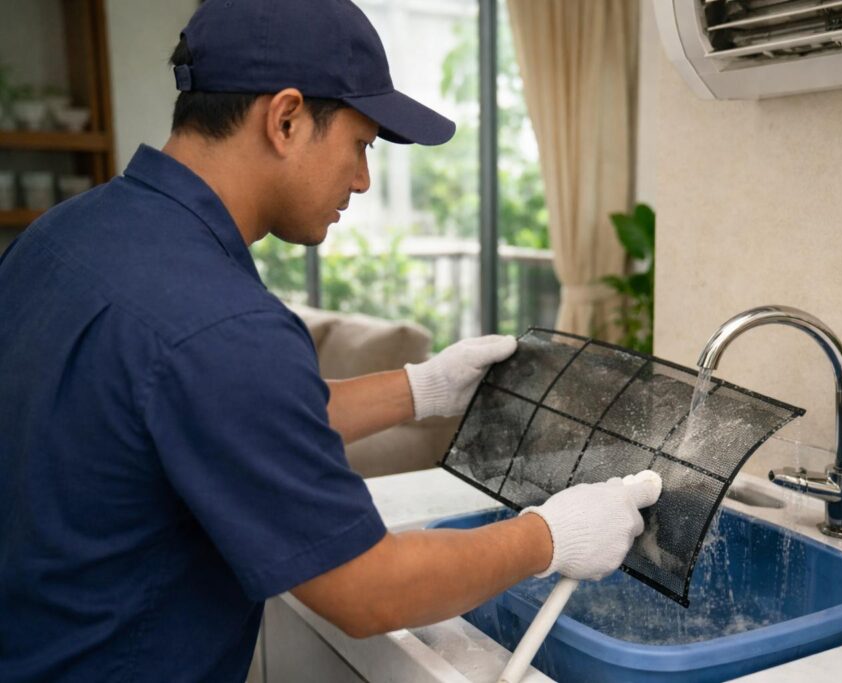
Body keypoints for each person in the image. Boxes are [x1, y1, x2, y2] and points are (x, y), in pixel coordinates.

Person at [0, 1, 662, 681]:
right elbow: (368, 588)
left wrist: (421, 388)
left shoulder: (59, 236)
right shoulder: (224, 324)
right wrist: (549, 535)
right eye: (361, 144)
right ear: (285, 119)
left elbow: (224, 417)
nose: (363, 178)